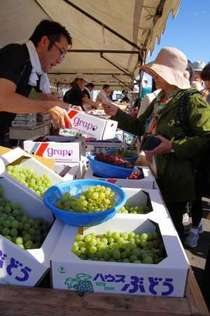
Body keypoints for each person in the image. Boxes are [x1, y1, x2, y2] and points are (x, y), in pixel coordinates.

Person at [102, 47, 210, 241]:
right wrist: (116, 113)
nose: (154, 77)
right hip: (153, 173)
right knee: (153, 228)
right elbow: (138, 126)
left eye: (158, 73)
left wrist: (173, 146)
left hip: (176, 180)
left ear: (171, 75)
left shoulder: (192, 100)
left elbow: (206, 137)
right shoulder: (159, 99)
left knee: (170, 230)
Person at [0, 19, 72, 146]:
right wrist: (48, 107)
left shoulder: (35, 70)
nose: (60, 61)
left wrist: (68, 108)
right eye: (61, 52)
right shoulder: (15, 54)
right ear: (44, 41)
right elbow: (3, 100)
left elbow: (41, 97)